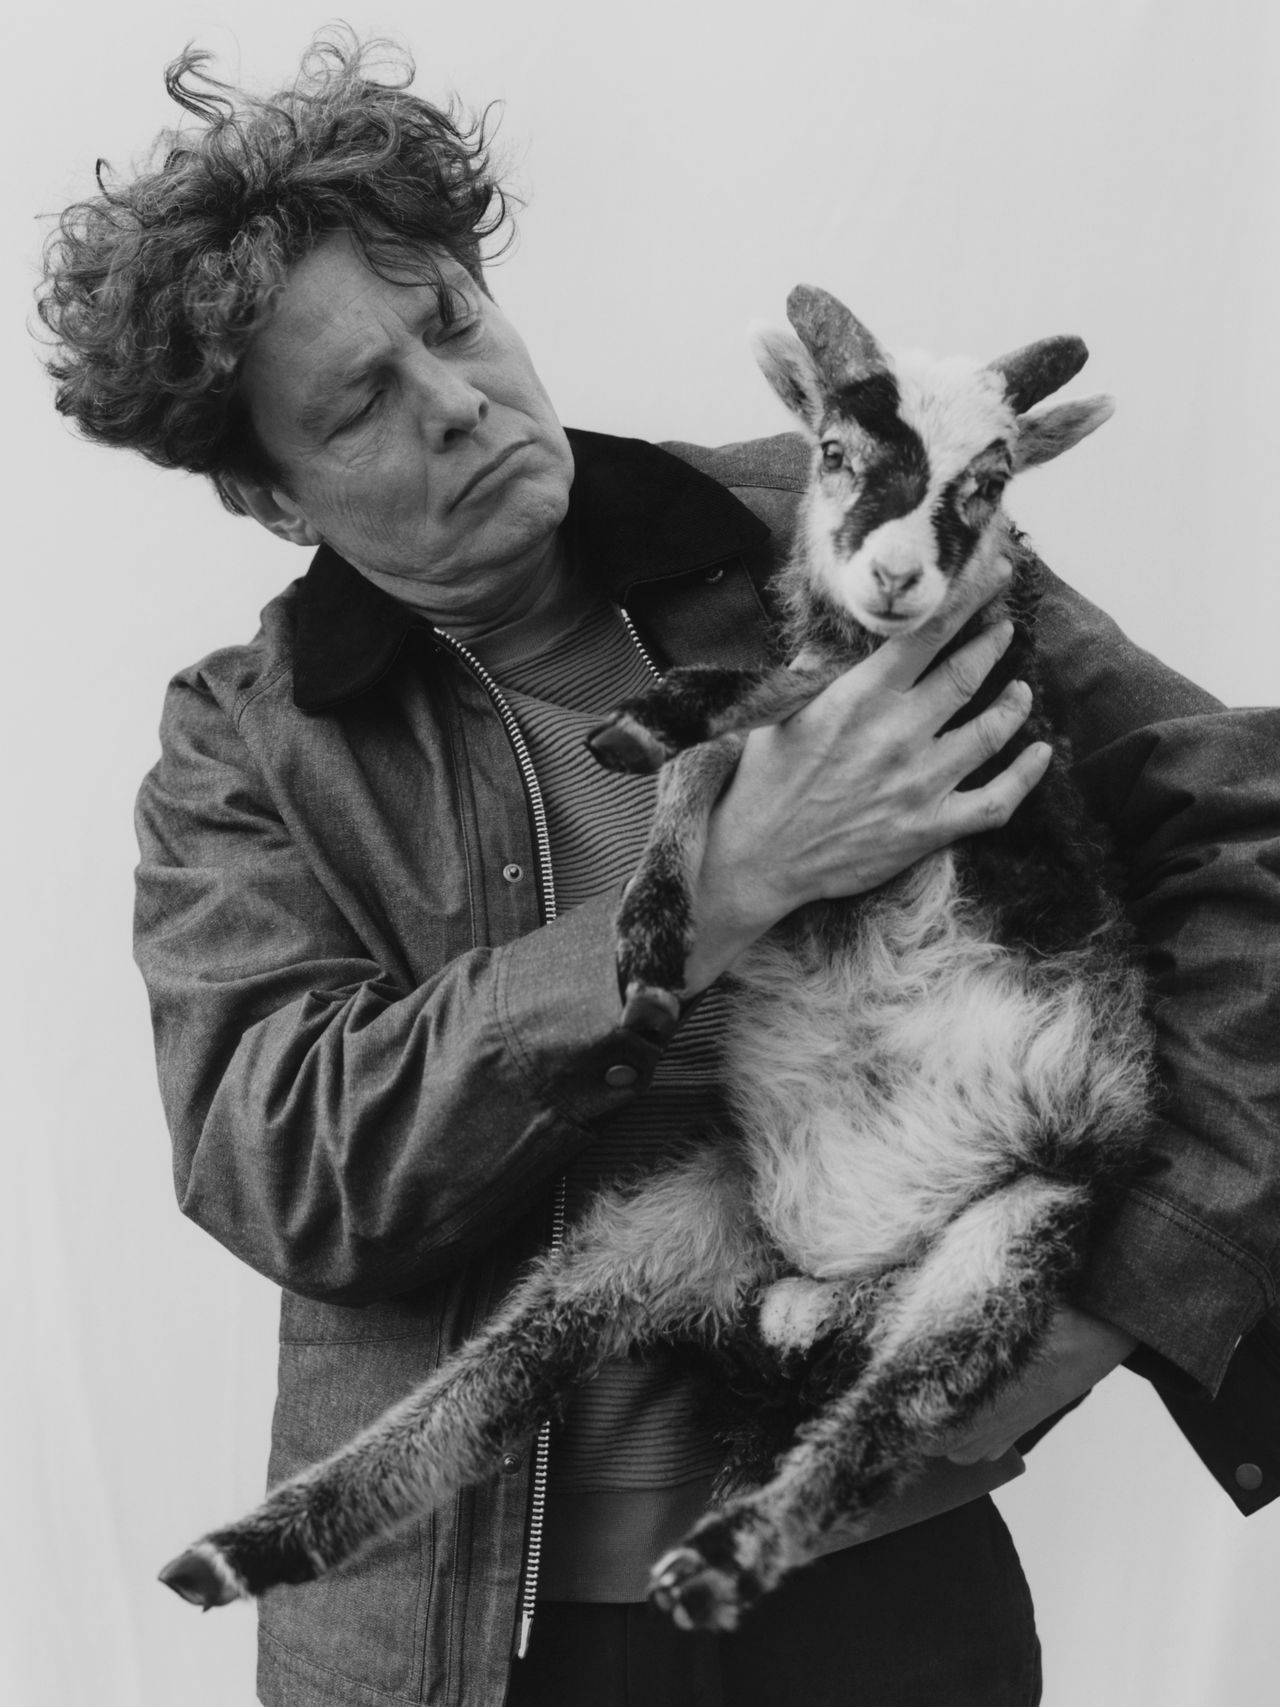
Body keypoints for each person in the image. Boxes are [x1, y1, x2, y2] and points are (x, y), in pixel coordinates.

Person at [39, 33, 1280, 1707]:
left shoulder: (832, 524)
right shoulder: (245, 751)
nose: (458, 399)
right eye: (361, 401)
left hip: (878, 1587)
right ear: (272, 494)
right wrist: (726, 883)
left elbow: (1246, 831)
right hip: (463, 1648)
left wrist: (1129, 1294)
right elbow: (287, 1164)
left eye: (452, 319)